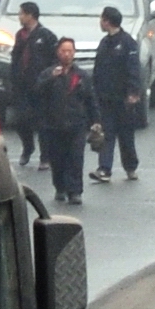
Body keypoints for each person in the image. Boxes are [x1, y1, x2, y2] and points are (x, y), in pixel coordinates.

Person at [30, 36, 96, 205]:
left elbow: (90, 99)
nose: (67, 54)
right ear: (57, 53)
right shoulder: (48, 74)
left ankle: (75, 191)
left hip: (76, 124)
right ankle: (60, 187)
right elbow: (36, 93)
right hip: (53, 124)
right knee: (57, 159)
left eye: (70, 51)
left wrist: (96, 121)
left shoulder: (81, 75)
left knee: (75, 158)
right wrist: (50, 78)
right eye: (63, 51)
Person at [90, 5, 145, 183]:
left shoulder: (128, 43)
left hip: (123, 100)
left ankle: (130, 166)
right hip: (106, 98)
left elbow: (133, 69)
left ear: (108, 21)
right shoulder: (104, 43)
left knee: (126, 135)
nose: (100, 22)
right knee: (106, 134)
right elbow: (98, 70)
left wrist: (133, 92)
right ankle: (104, 169)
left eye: (102, 19)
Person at [7, 0, 60, 165]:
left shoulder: (46, 36)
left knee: (43, 123)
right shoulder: (20, 35)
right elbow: (15, 58)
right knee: (21, 120)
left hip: (40, 86)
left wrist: (50, 79)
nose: (20, 17)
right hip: (22, 86)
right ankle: (27, 147)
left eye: (22, 13)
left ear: (30, 15)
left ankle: (45, 156)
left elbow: (54, 61)